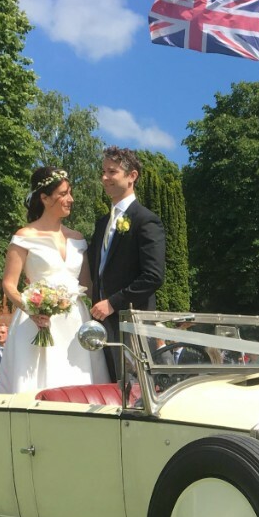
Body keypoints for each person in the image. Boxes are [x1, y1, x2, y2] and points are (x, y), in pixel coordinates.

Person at [0, 167, 110, 394]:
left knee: (79, 384)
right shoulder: (24, 236)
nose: (71, 199)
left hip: (75, 322)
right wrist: (31, 309)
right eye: (64, 194)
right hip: (37, 321)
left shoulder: (78, 238)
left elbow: (88, 287)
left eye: (70, 193)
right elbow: (9, 284)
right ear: (45, 198)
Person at [88, 147, 165, 380]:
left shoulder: (146, 221)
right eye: (103, 171)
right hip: (101, 325)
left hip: (132, 325)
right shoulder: (102, 223)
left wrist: (112, 303)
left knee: (133, 390)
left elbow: (153, 276)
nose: (104, 177)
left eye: (112, 171)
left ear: (132, 176)